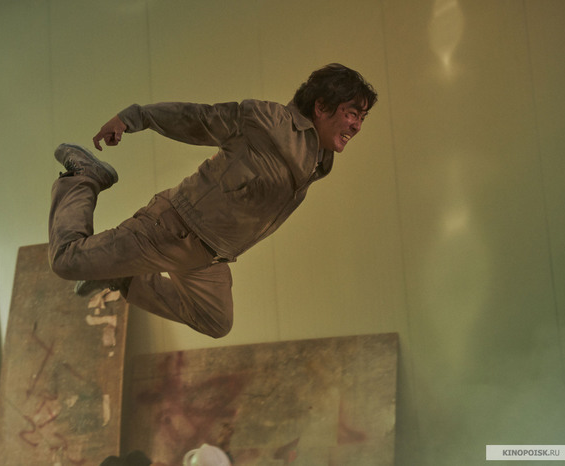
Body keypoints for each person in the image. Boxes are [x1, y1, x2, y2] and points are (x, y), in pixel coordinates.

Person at [48, 63, 377, 338]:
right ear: (321, 107)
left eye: (362, 118)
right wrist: (134, 117)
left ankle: (123, 277)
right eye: (352, 114)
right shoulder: (267, 121)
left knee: (215, 322)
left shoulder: (318, 161)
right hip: (173, 229)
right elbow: (199, 119)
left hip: (208, 257)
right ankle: (83, 176)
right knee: (65, 261)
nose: (357, 126)